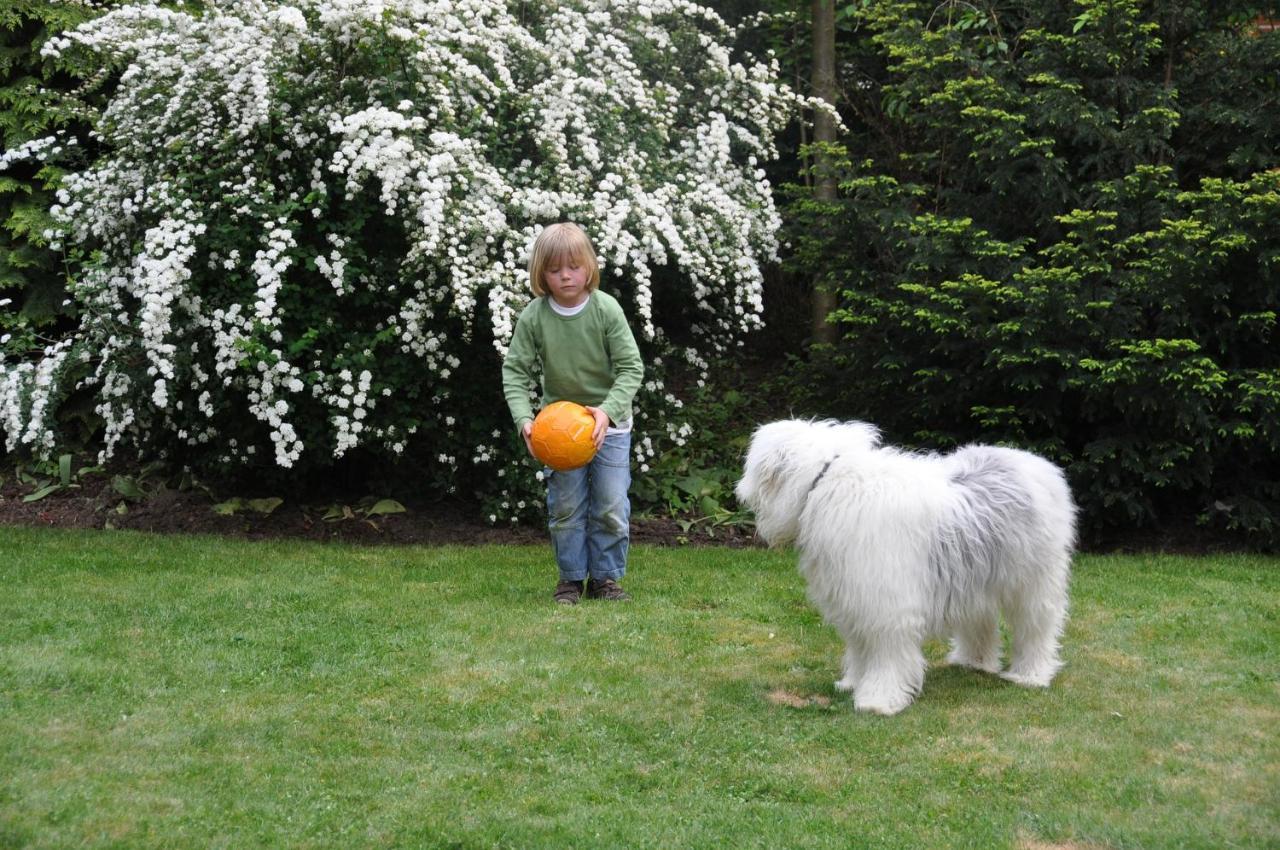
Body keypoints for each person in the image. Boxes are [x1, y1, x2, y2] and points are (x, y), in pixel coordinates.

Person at [502, 223, 645, 604]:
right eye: (554, 269)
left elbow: (632, 368)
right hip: (559, 433)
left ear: (589, 267)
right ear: (541, 274)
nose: (566, 275)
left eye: (574, 266)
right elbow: (515, 372)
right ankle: (570, 579)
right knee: (566, 509)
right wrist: (525, 422)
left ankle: (607, 580)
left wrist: (607, 412)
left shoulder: (605, 309)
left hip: (609, 429)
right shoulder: (535, 316)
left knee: (611, 507)